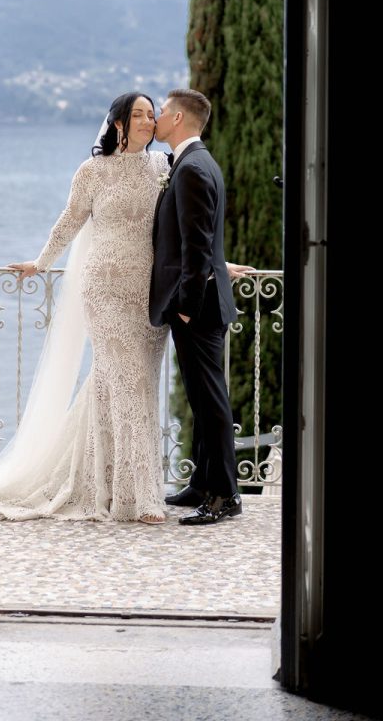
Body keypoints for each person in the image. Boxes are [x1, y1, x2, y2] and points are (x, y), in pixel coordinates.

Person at [0, 92, 171, 525]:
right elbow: (69, 221)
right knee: (129, 384)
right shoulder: (92, 171)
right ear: (118, 124)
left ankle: (94, 479)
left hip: (149, 293)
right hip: (104, 288)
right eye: (138, 114)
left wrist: (219, 263)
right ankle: (137, 497)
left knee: (117, 385)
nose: (147, 120)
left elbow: (180, 228)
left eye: (151, 114)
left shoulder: (162, 167)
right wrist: (41, 262)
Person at [149, 87, 246, 526]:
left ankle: (225, 495)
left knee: (210, 402)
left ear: (179, 119)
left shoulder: (190, 168)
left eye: (163, 111)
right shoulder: (195, 162)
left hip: (199, 306)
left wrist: (185, 306)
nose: (158, 117)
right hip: (207, 300)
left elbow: (196, 246)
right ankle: (203, 482)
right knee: (203, 398)